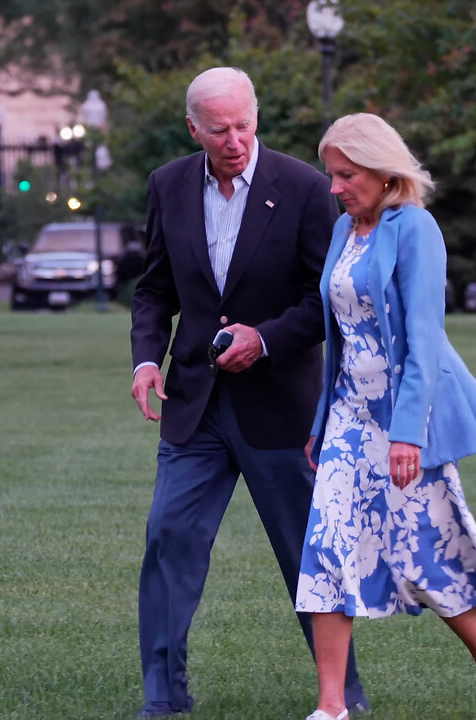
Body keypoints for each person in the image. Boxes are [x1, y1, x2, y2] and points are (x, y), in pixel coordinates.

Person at [128, 67, 369, 718]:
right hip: (194, 408)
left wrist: (263, 339)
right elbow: (154, 289)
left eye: (242, 125)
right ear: (193, 130)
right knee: (168, 538)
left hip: (284, 408)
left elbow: (328, 297)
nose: (234, 140)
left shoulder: (305, 188)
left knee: (307, 558)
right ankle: (164, 699)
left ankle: (344, 699)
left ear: (254, 118)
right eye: (218, 129)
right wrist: (146, 360)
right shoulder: (169, 186)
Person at [296, 113, 476, 720]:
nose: (335, 187)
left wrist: (407, 436)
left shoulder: (415, 228)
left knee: (428, 556)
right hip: (349, 415)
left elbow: (424, 339)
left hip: (405, 419)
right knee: (325, 548)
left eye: (346, 175)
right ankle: (331, 708)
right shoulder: (345, 230)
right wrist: (324, 423)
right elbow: (340, 335)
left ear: (381, 171)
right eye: (331, 175)